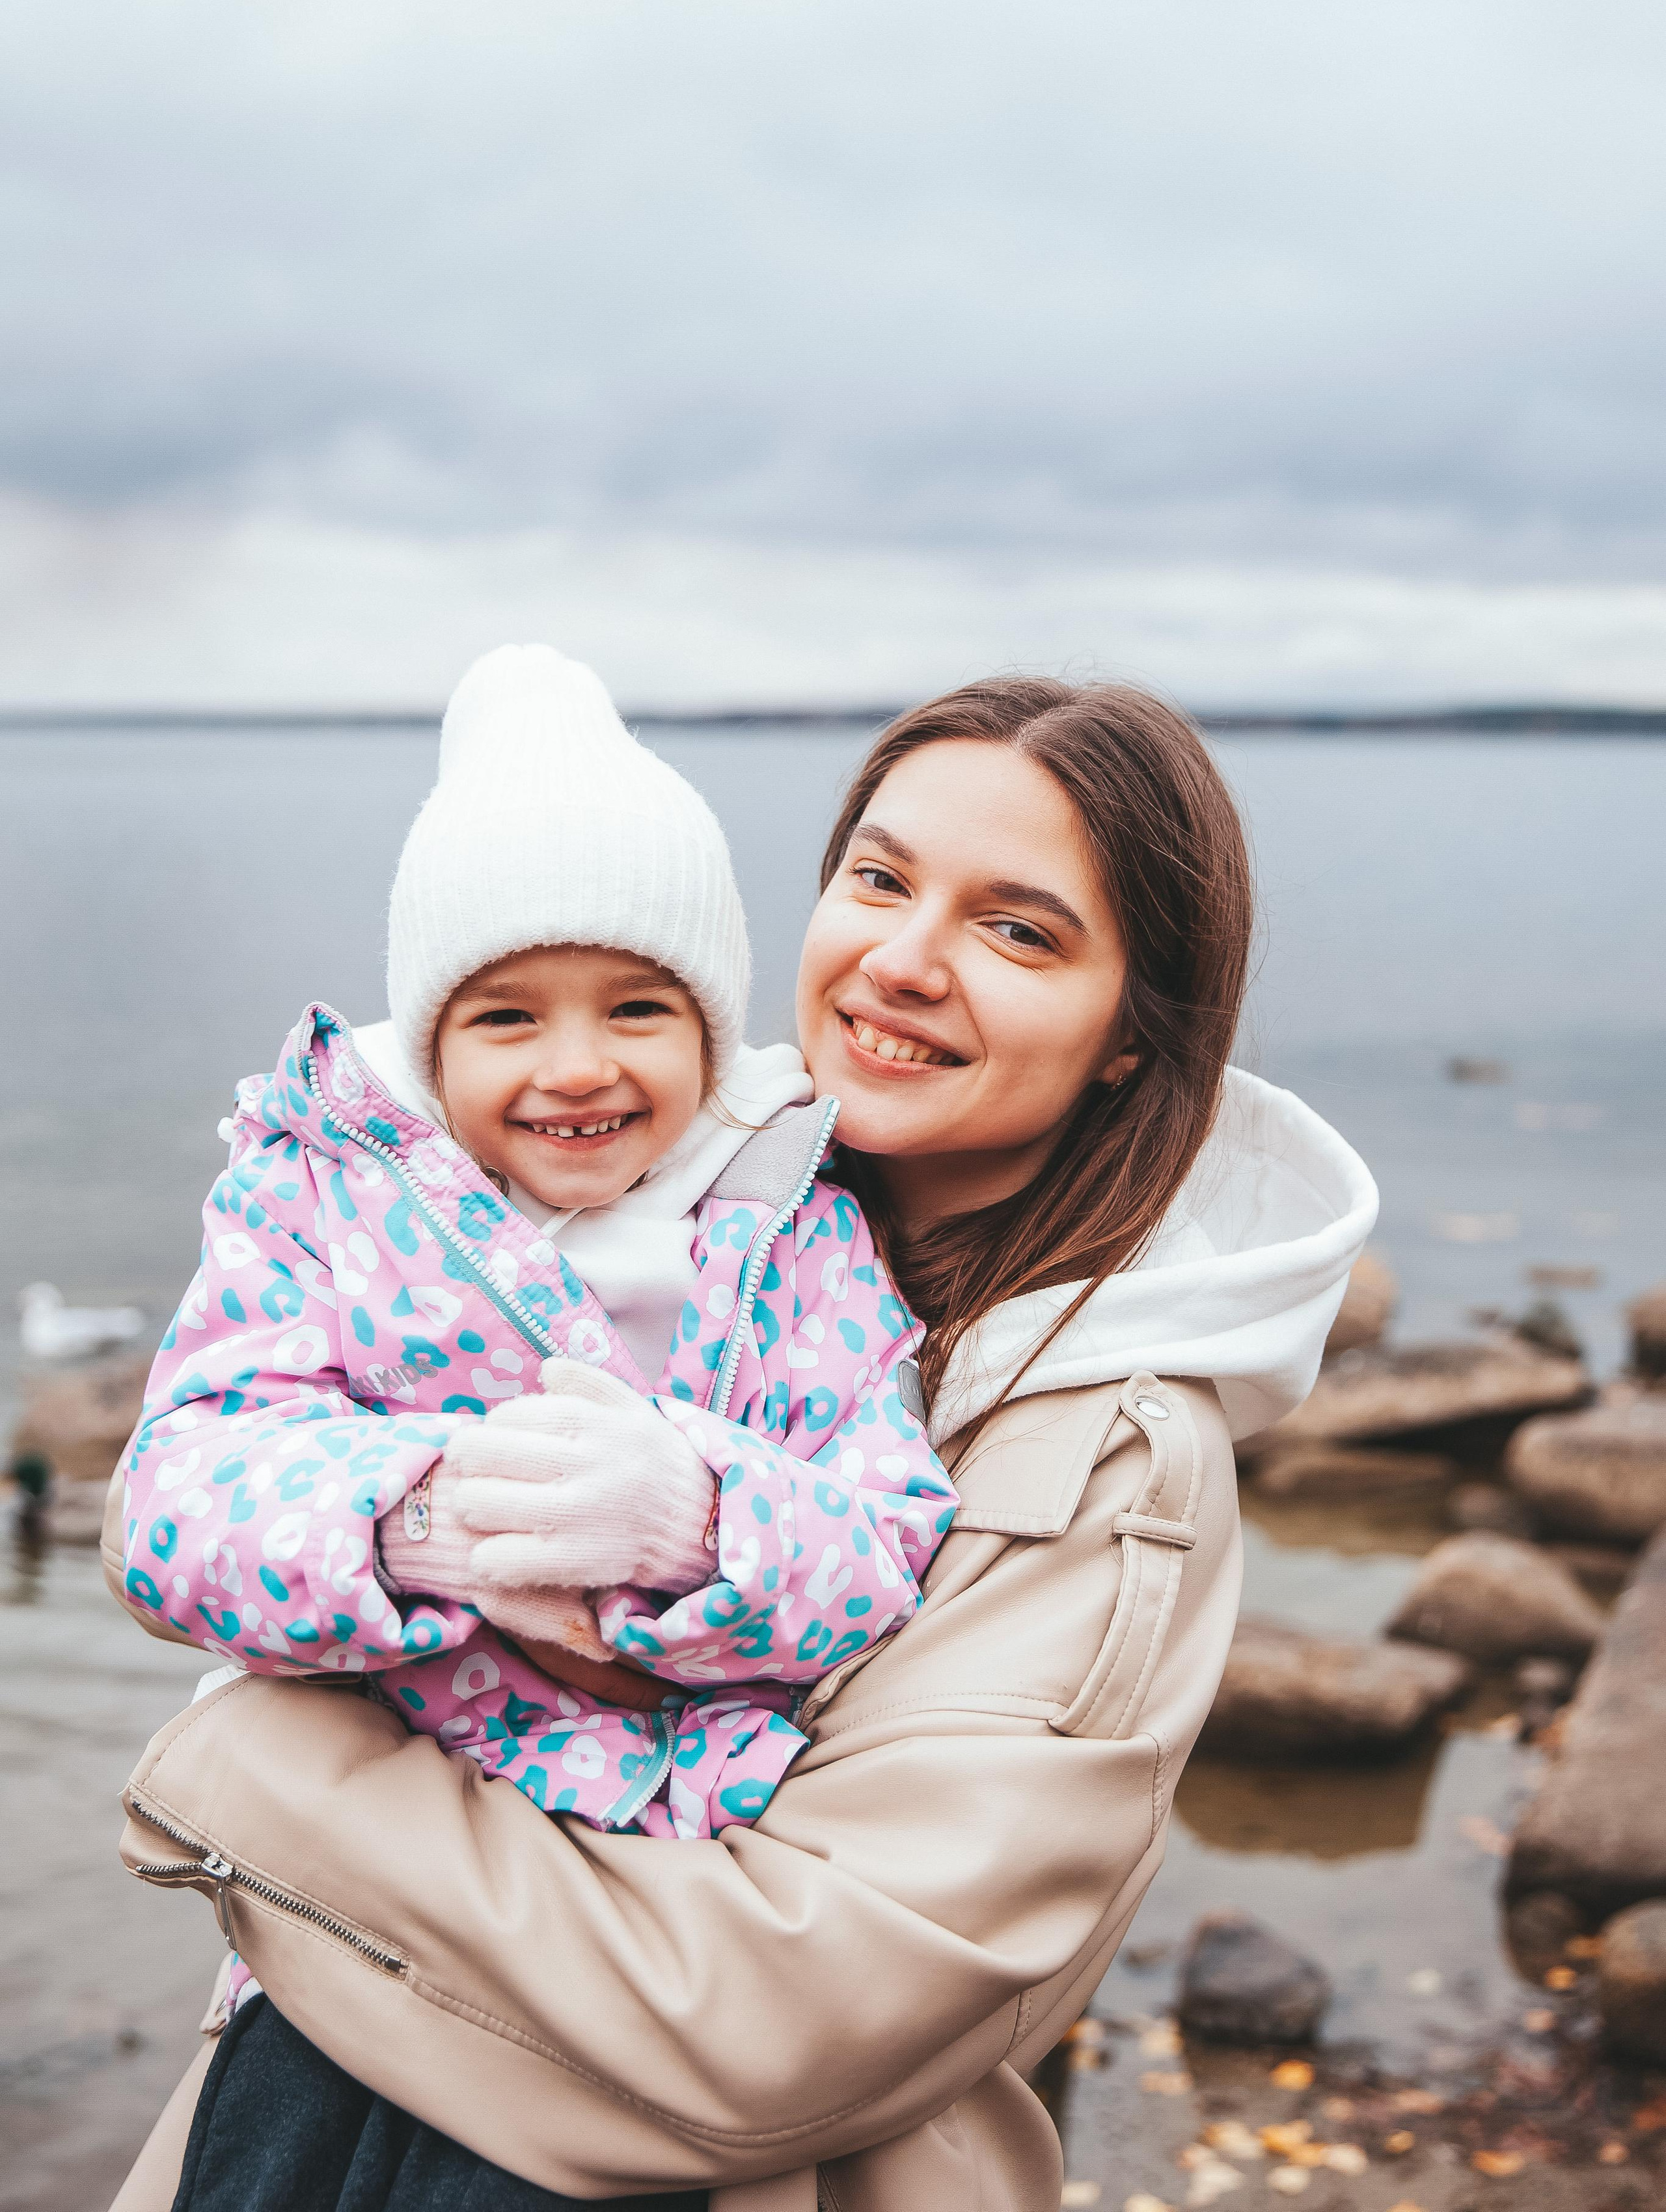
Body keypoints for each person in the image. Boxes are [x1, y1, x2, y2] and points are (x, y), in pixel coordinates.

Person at [109, 676, 1378, 2212]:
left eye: (1017, 930)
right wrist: (411, 1523)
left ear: (1130, 1036)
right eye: (879, 879)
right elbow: (184, 1479)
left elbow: (780, 2022)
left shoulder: (1109, 1452)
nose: (901, 962)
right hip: (328, 2088)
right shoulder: (674, 1183)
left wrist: (254, 1769)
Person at [117, 640, 955, 1886]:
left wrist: (697, 1521)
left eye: (637, 1009)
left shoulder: (794, 1223)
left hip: (698, 1848)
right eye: (508, 1015)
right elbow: (170, 1512)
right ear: (431, 1041)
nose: (576, 1066)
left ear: (713, 1035)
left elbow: (888, 1551)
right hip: (378, 1847)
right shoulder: (318, 1194)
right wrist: (431, 1521)